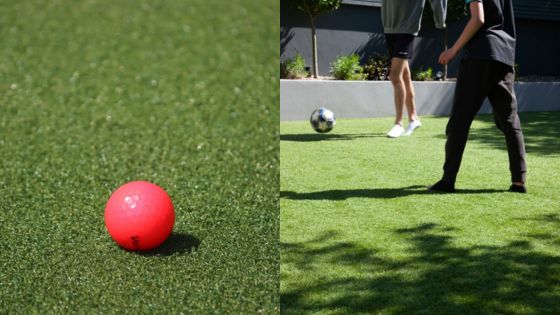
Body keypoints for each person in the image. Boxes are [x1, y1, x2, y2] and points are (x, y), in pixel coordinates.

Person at [429, 0, 527, 193]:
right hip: (504, 56)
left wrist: (453, 50)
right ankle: (519, 181)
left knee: (460, 119)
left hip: (479, 56)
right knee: (510, 121)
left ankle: (448, 181)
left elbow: (478, 18)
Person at [381, 0, 447, 138]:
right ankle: (413, 118)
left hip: (407, 27)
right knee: (404, 75)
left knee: (394, 76)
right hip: (389, 25)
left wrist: (440, 19)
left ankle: (398, 123)